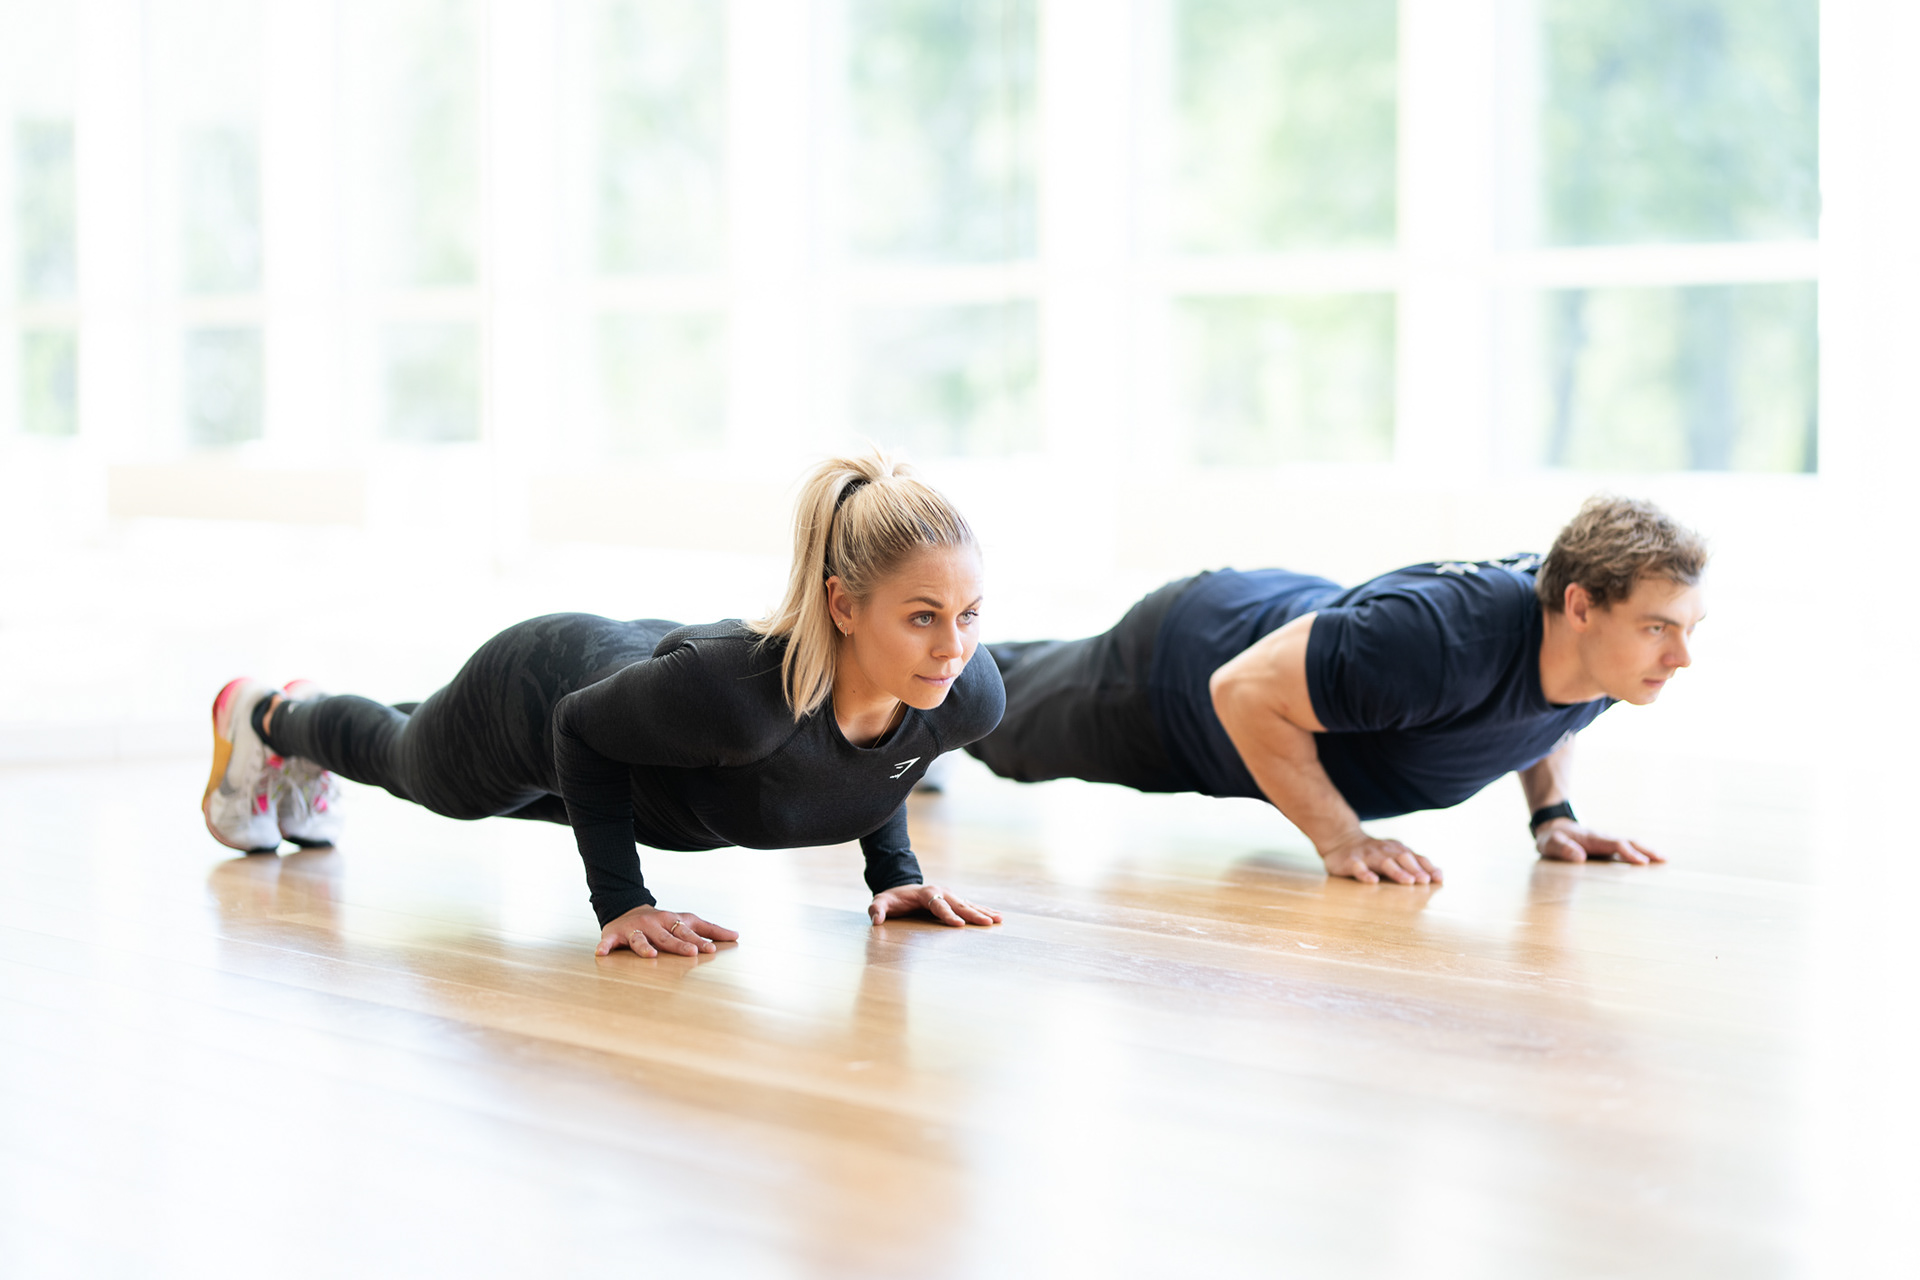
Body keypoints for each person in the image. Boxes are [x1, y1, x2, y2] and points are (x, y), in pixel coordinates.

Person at [200, 451, 1006, 956]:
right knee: (414, 770)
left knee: (428, 741)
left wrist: (894, 872)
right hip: (544, 692)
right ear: (842, 606)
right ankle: (269, 716)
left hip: (648, 734)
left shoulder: (961, 695)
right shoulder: (739, 700)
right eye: (922, 616)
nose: (953, 647)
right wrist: (623, 903)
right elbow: (579, 726)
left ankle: (317, 722)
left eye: (968, 615)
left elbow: (875, 758)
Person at [967, 496, 1707, 885]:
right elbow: (1242, 688)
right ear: (1580, 606)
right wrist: (1343, 840)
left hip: (1298, 642)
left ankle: (936, 682)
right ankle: (890, 692)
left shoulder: (1608, 658)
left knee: (1021, 678)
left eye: (1688, 629)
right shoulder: (1443, 642)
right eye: (1657, 630)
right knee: (998, 723)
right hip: (1185, 670)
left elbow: (1555, 709)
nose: (1680, 657)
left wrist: (1554, 814)